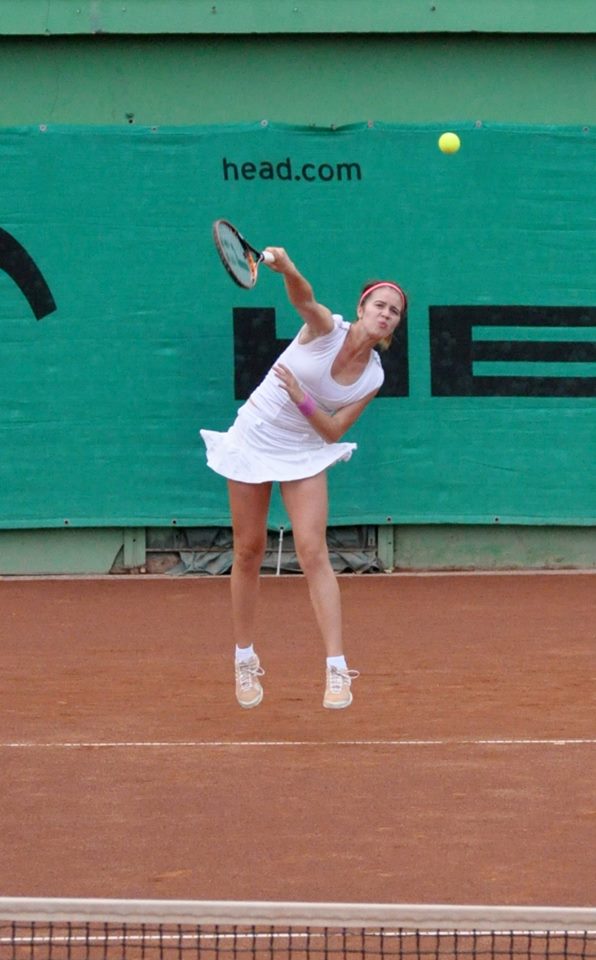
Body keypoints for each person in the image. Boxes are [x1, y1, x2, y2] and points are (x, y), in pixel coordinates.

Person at [200, 247, 407, 710]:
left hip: (304, 450)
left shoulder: (373, 377)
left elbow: (332, 430)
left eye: (394, 312)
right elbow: (304, 299)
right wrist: (288, 268)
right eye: (380, 305)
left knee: (313, 551)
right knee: (248, 550)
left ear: (395, 325)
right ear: (362, 308)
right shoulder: (325, 328)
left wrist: (301, 397)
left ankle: (337, 669)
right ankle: (244, 658)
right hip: (255, 436)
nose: (386, 314)